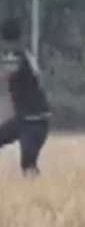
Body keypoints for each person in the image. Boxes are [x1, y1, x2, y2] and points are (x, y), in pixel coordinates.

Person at [0, 18, 51, 177]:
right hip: (28, 118)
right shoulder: (25, 53)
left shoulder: (15, 55)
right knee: (28, 164)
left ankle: (38, 196)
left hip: (33, 120)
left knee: (28, 165)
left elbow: (6, 73)